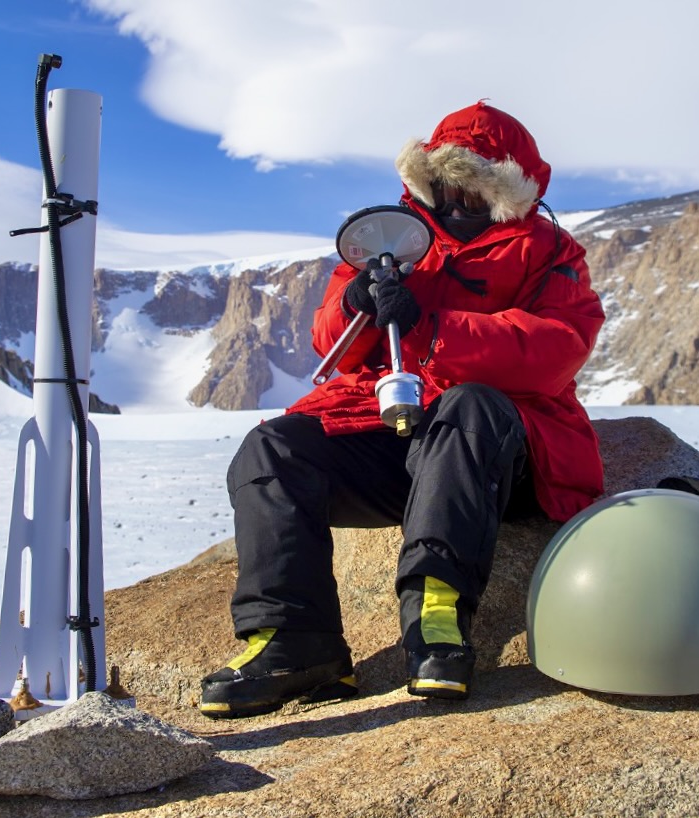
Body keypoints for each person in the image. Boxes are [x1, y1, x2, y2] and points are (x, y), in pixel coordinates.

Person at [199, 101, 606, 719]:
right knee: (274, 449)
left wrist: (434, 330)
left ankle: (436, 618)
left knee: (469, 406)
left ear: (505, 193)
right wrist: (357, 301)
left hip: (497, 453)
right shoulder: (389, 237)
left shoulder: (548, 252)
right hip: (398, 434)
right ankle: (292, 642)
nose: (454, 206)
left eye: (474, 195)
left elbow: (554, 350)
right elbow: (329, 342)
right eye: (444, 188)